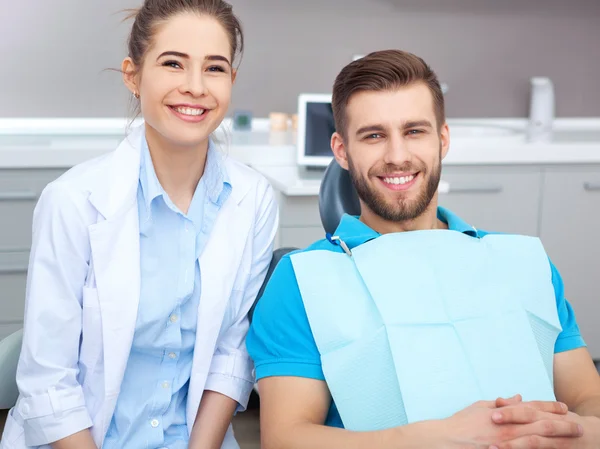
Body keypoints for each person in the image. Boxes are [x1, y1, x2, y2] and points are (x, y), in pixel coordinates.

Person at [246, 49, 600, 449]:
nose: (397, 157)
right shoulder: (302, 281)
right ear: (342, 151)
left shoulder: (524, 264)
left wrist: (566, 435)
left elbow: (589, 400)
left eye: (414, 131)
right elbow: (285, 439)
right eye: (374, 135)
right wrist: (440, 436)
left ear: (442, 139)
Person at [0, 1, 278, 448]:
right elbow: (48, 380)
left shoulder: (253, 199)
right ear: (133, 75)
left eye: (214, 68)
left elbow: (230, 352)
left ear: (231, 81)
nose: (195, 87)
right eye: (173, 64)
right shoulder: (73, 201)